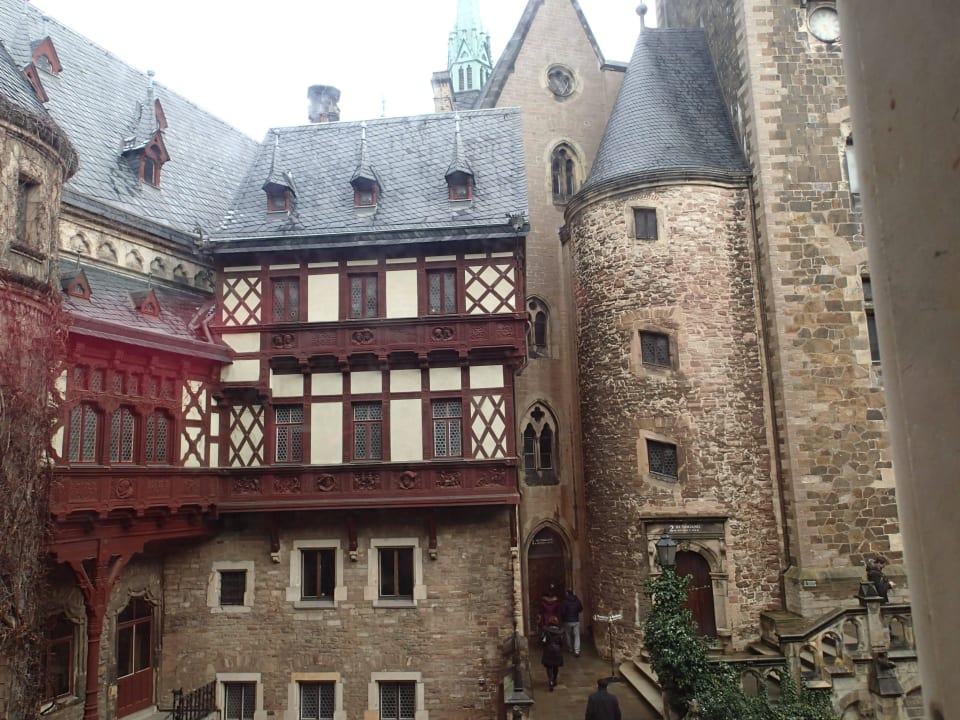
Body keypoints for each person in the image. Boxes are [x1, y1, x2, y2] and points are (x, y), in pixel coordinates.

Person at [540, 615, 564, 691]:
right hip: (557, 650)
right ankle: (554, 680)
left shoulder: (545, 630)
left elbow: (542, 640)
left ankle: (550, 681)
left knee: (549, 666)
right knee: (556, 666)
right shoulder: (560, 631)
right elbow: (562, 642)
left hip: (548, 649)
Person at [558, 588, 584, 656]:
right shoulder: (577, 600)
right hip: (576, 620)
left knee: (568, 635)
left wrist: (562, 618)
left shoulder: (564, 602)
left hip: (567, 621)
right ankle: (577, 651)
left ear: (567, 594)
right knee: (577, 636)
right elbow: (581, 608)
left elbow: (562, 612)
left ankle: (570, 648)